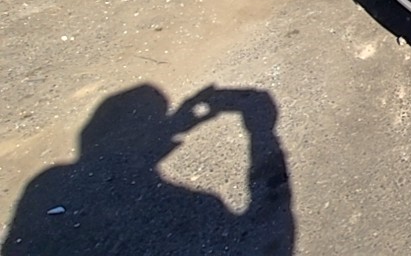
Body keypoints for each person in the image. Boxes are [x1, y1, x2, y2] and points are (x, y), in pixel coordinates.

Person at [2, 85, 293, 255]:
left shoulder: (49, 184)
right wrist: (260, 129)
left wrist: (169, 131)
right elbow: (277, 233)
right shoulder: (199, 209)